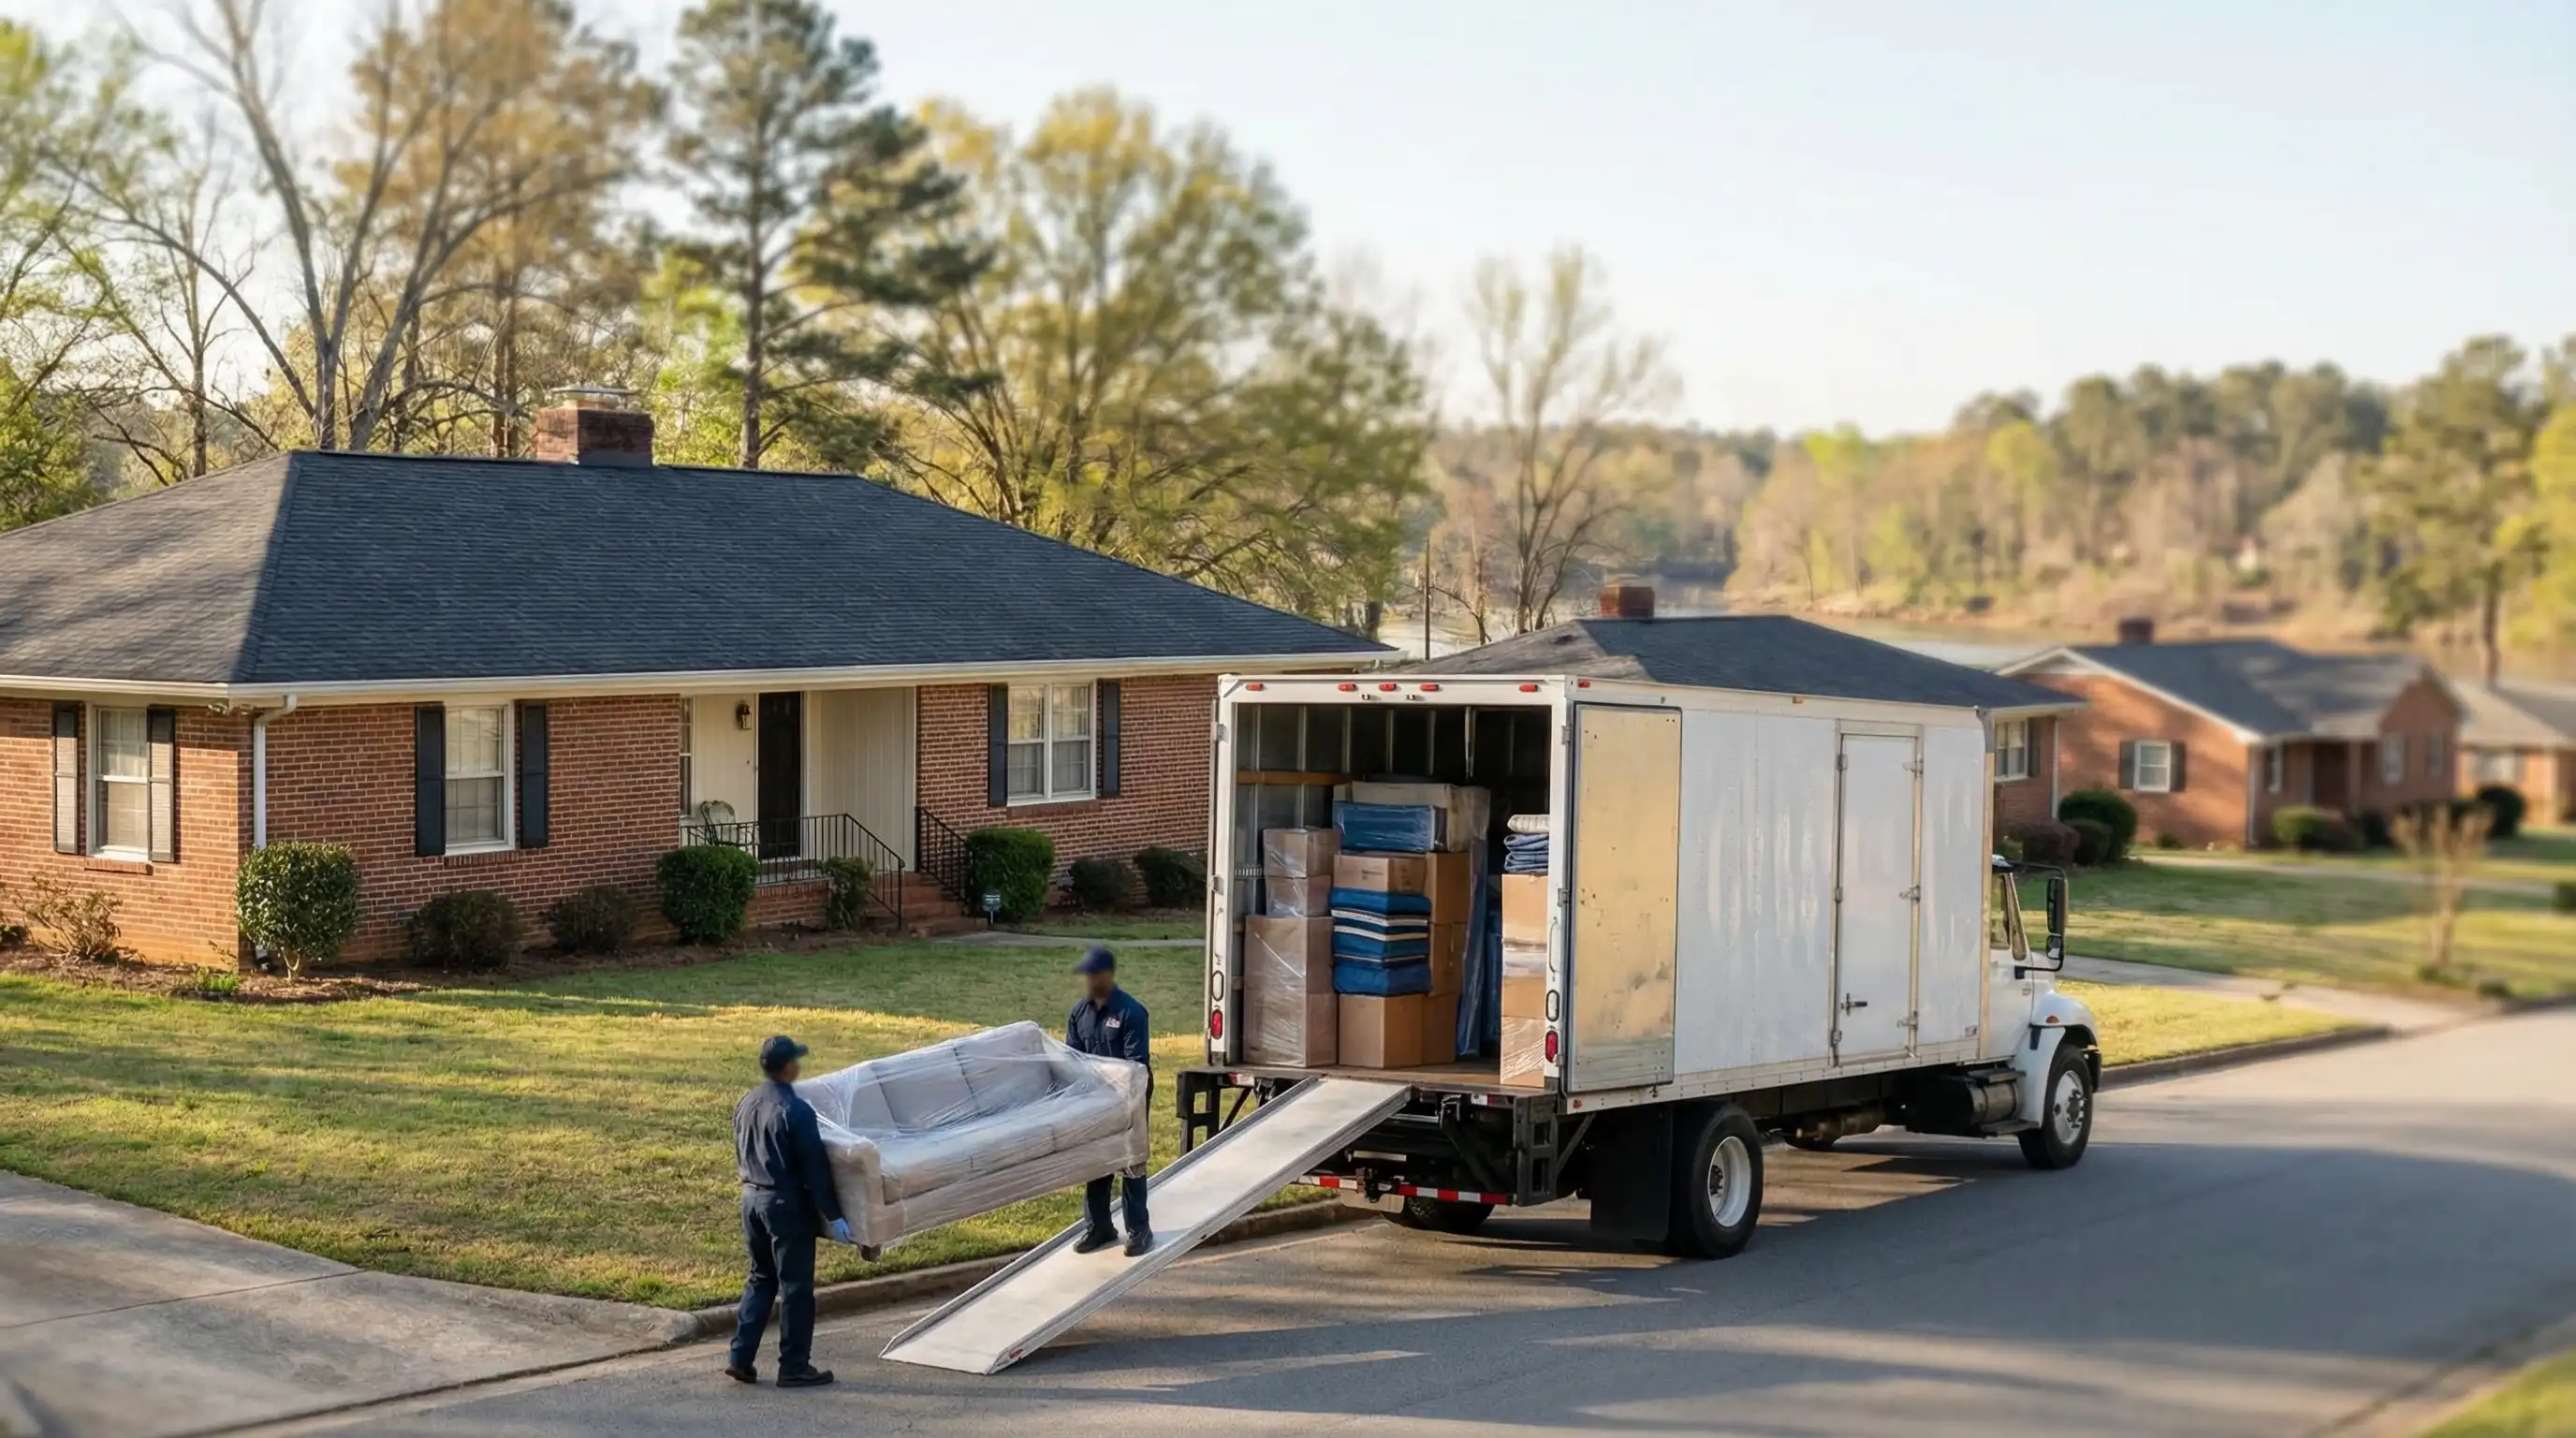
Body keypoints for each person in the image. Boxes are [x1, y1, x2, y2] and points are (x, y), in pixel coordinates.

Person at [726, 1034, 851, 1389]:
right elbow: (816, 1170)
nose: (800, 1065)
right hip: (784, 1205)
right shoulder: (796, 1111)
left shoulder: (748, 1101)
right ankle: (794, 1366)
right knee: (795, 1287)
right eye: (796, 1060)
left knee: (761, 1277)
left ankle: (741, 1357)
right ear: (788, 1067)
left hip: (750, 1198)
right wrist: (835, 1215)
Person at [1066, 946, 1152, 1256]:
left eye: (1093, 974)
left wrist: (1120, 1101)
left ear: (1107, 975)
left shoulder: (1130, 1012)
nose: (1088, 980)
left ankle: (1139, 1230)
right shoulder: (1079, 1013)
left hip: (1131, 1100)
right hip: (1095, 1102)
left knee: (1131, 1162)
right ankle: (1100, 1227)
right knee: (1096, 1163)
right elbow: (1072, 1060)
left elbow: (1136, 1067)